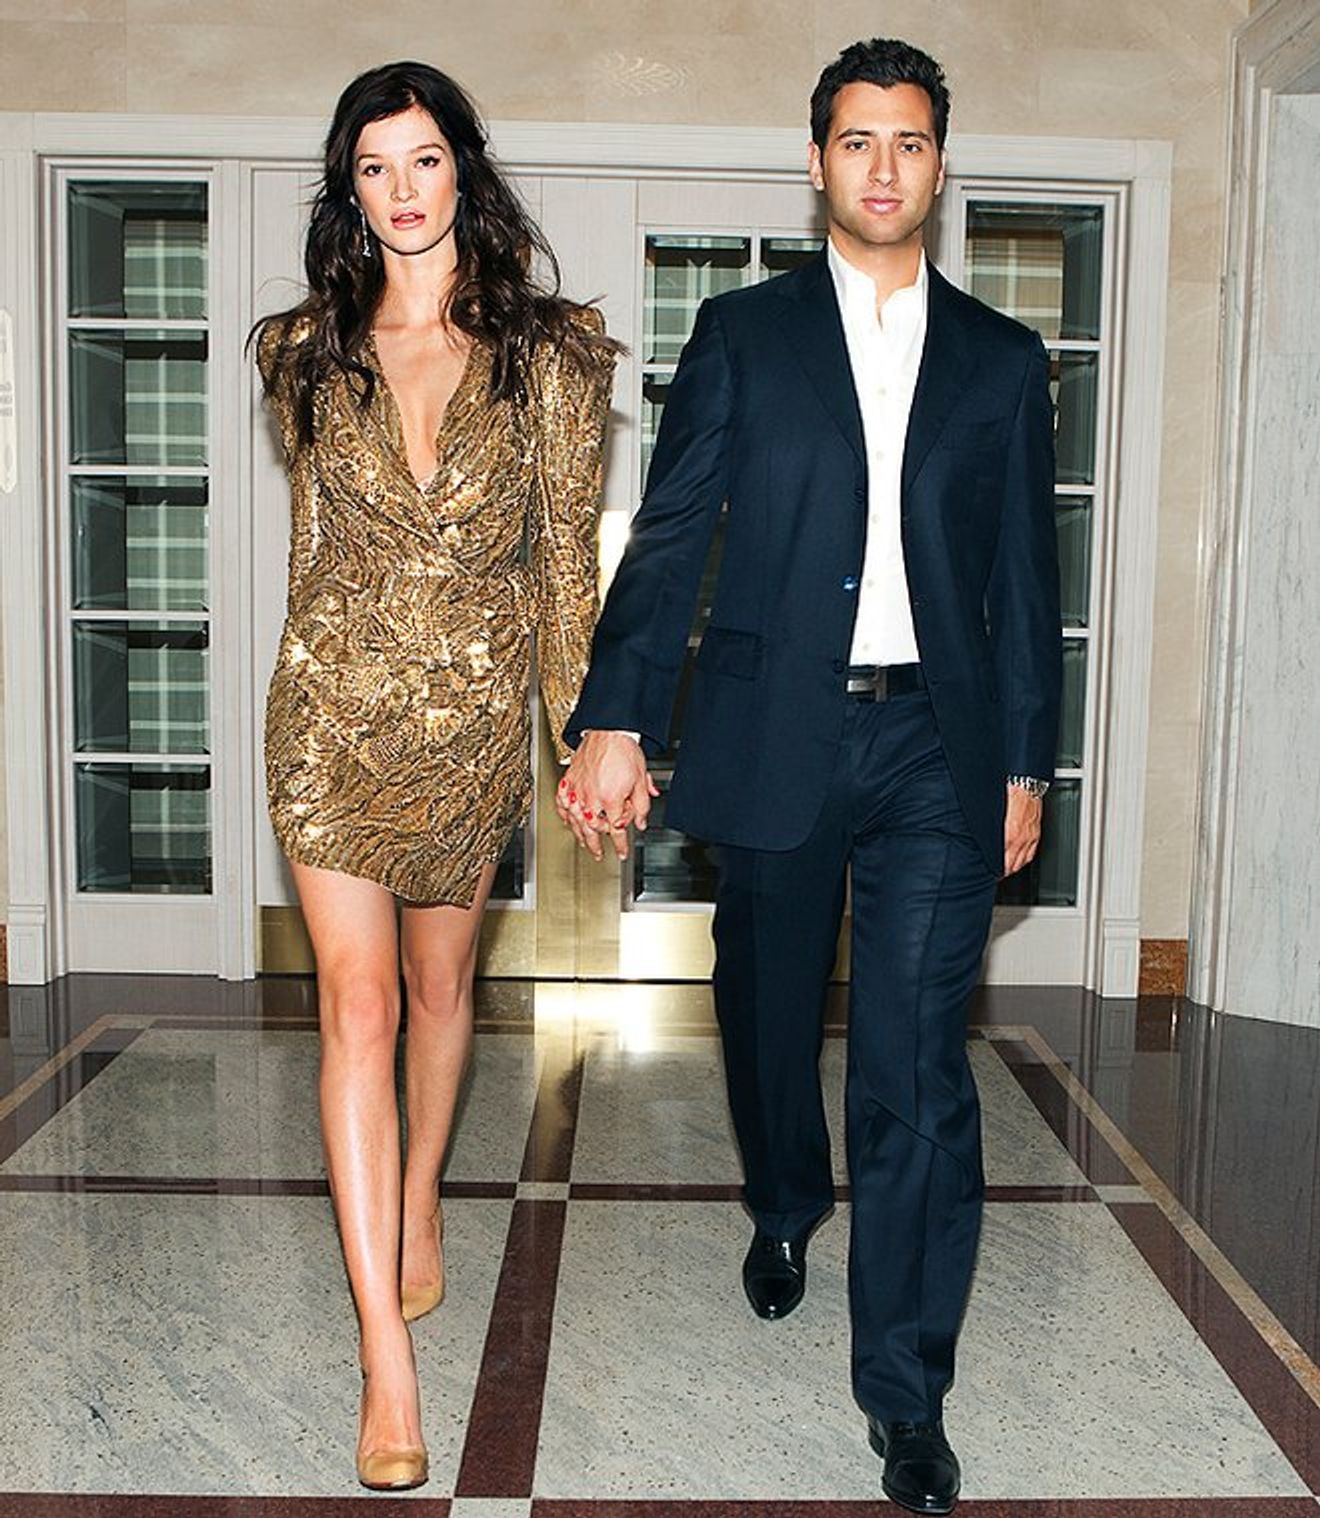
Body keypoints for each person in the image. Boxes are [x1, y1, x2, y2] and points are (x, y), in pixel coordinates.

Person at [558, 37, 1060, 1517]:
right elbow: (670, 533)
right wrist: (616, 716)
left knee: (916, 1065)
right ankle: (784, 1197)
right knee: (769, 1014)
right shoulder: (743, 335)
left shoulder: (1002, 362)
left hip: (936, 749)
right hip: (777, 730)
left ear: (941, 166)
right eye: (857, 140)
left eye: (909, 141)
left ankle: (907, 1392)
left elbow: (1025, 584)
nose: (883, 166)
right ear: (818, 160)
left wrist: (1027, 760)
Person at [255, 61, 616, 1492]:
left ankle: (417, 1195)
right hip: (330, 718)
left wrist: (587, 732)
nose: (402, 190)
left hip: (467, 726)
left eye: (423, 160)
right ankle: (384, 1362)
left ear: (465, 168)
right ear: (349, 192)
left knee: (440, 988)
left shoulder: (554, 356)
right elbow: (316, 553)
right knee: (354, 1005)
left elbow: (564, 570)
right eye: (374, 167)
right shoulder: (304, 351)